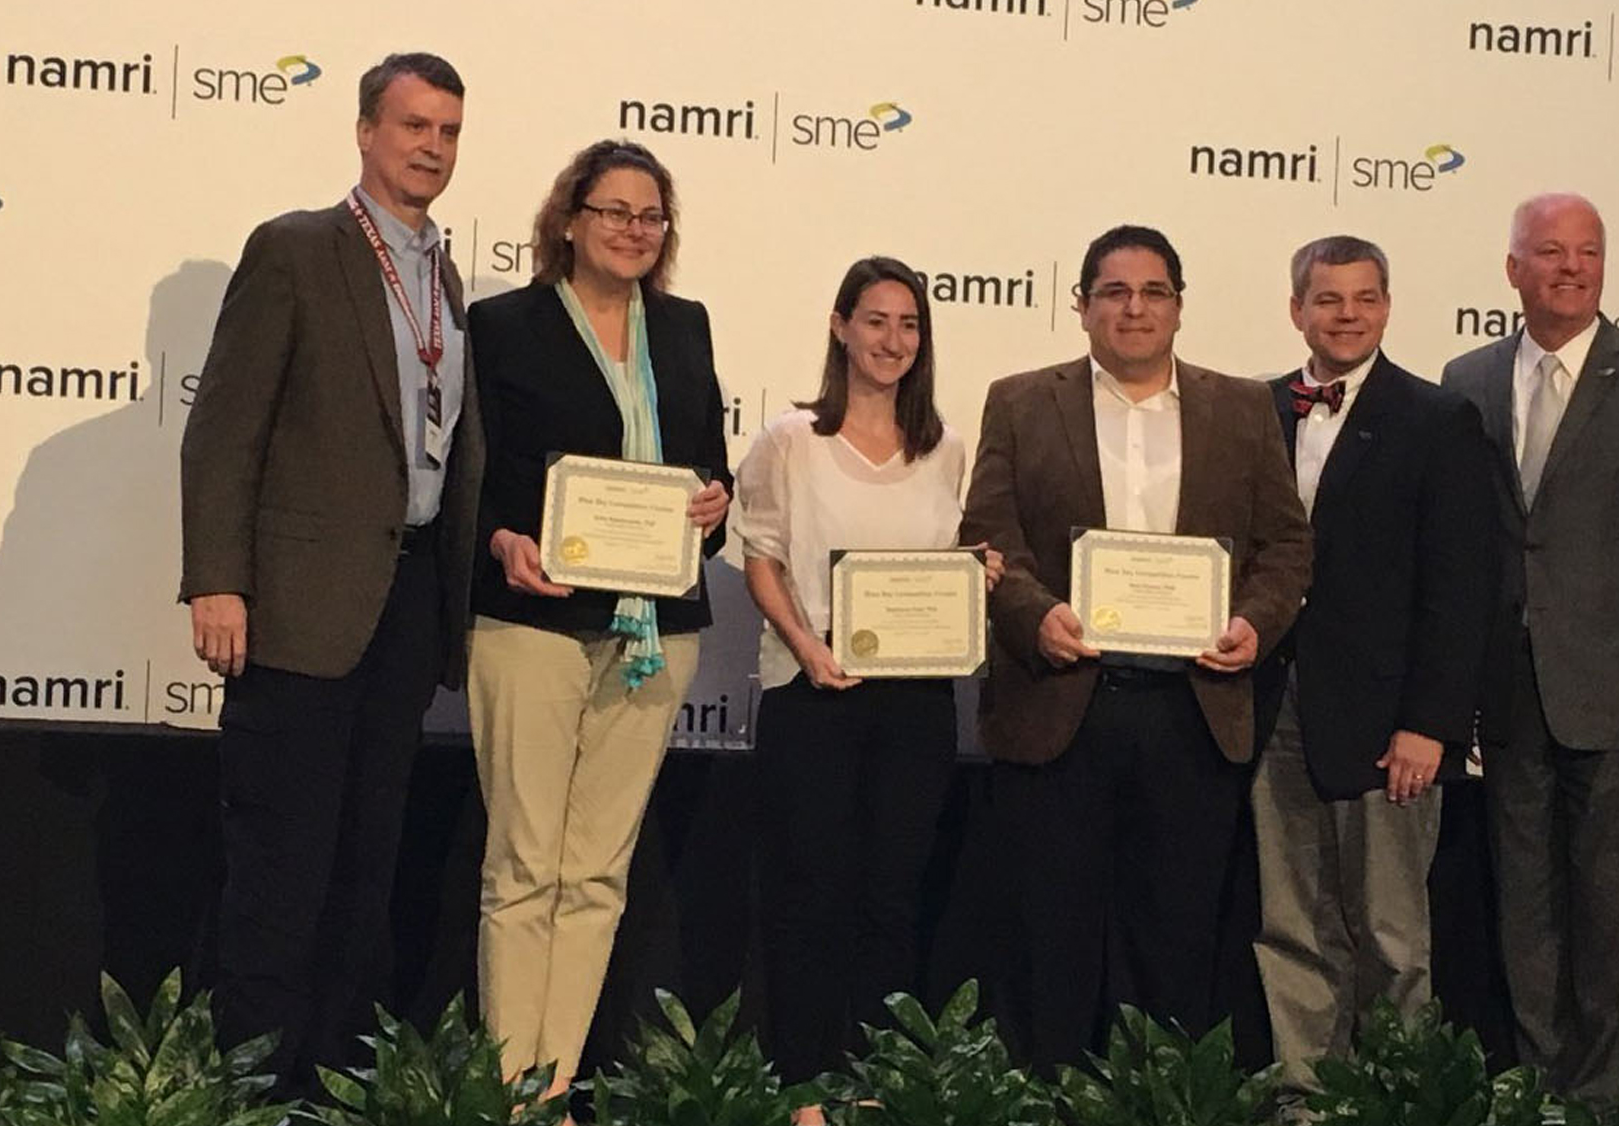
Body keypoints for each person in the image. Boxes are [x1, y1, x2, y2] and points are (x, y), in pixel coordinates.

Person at [178, 52, 481, 1098]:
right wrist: (218, 578)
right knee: (280, 867)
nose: (431, 146)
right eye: (413, 126)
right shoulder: (296, 249)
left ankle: (332, 1088)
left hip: (403, 604)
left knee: (364, 865)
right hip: (300, 606)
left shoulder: (443, 275)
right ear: (364, 131)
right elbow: (224, 430)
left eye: (447, 130)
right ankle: (253, 1091)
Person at [958, 224, 1313, 1071]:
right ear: (1081, 306)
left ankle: (1163, 1103)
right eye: (1114, 292)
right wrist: (1034, 613)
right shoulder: (1019, 400)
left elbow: (1286, 548)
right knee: (1053, 938)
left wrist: (1254, 626)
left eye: (1153, 292)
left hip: (1193, 711)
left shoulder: (1241, 407)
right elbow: (988, 539)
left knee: (1178, 938)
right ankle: (1046, 1098)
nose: (1134, 309)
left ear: (1179, 308)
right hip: (1060, 706)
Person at [1442, 192, 1619, 1103]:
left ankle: (1603, 1104)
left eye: (1588, 253)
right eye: (1550, 252)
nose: (1571, 268)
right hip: (1507, 697)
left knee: (1610, 920)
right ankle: (1535, 1095)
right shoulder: (1467, 380)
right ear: (1512, 268)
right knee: (1523, 915)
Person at [463, 139, 732, 1108]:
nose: (631, 230)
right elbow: (474, 474)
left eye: (649, 215)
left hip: (656, 628)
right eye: (612, 211)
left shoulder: (685, 327)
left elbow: (709, 464)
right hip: (531, 619)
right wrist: (498, 537)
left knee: (597, 877)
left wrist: (714, 502)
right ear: (569, 219)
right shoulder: (502, 326)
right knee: (525, 866)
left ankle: (553, 1086)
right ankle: (503, 1090)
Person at [733, 256, 1002, 1125]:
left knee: (892, 895)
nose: (893, 340)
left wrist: (976, 576)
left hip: (914, 706)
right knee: (811, 894)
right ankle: (804, 1082)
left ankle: (873, 1077)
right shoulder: (790, 441)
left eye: (910, 325)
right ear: (841, 326)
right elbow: (762, 559)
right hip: (814, 695)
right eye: (877, 321)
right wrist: (808, 648)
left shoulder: (945, 448)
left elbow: (938, 572)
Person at [1248, 235, 1496, 1097]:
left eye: (1363, 299)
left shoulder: (1436, 419)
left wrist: (1431, 724)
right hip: (1272, 705)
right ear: (1296, 310)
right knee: (1289, 920)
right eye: (1327, 300)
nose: (1345, 315)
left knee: (1391, 931)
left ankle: (1398, 1096)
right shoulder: (1257, 410)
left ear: (1387, 307)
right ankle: (1306, 1094)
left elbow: (1460, 589)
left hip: (1389, 719)